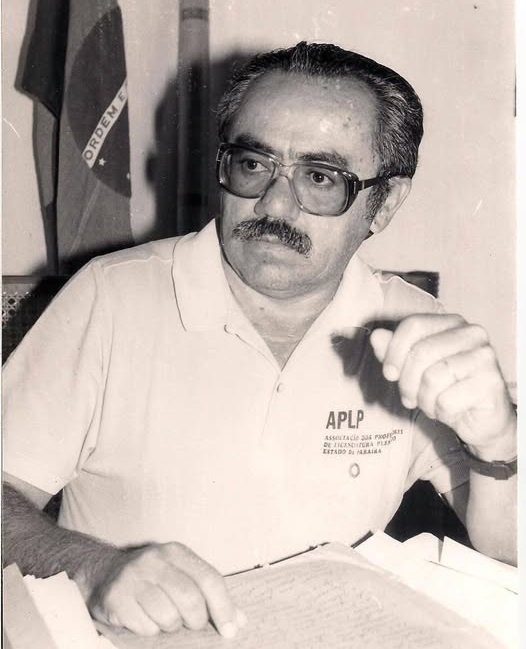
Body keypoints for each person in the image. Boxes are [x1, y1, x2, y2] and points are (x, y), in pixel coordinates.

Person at [3, 42, 517, 639]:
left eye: (320, 178)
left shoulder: (411, 326)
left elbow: (508, 555)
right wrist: (93, 567)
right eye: (253, 164)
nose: (272, 205)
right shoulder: (110, 298)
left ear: (384, 204)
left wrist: (498, 446)